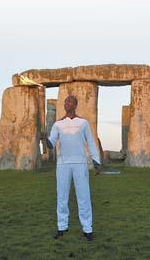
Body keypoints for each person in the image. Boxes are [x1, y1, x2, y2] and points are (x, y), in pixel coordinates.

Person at [45, 95, 101, 241]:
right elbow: (51, 143)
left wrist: (96, 160)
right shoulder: (58, 124)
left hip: (80, 164)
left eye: (69, 101)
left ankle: (87, 229)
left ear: (75, 104)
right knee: (62, 197)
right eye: (65, 102)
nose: (66, 103)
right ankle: (62, 227)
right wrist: (46, 139)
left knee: (84, 197)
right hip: (63, 164)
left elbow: (91, 142)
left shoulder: (83, 123)